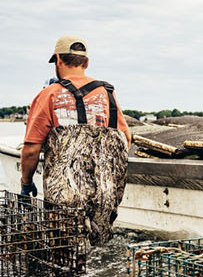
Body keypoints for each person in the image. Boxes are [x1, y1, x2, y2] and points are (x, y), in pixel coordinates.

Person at [19, 35, 133, 240]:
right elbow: (124, 138)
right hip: (105, 194)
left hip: (64, 196)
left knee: (65, 255)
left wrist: (26, 183)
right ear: (86, 63)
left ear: (58, 61)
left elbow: (31, 150)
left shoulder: (48, 95)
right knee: (99, 251)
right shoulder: (107, 93)